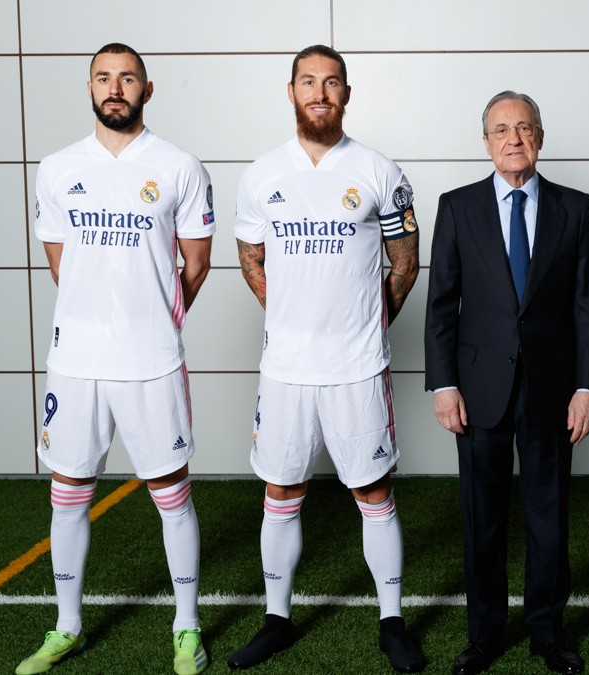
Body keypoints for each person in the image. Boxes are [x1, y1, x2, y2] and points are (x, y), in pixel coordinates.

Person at [18, 43, 215, 675]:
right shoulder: (57, 168)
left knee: (170, 491)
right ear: (89, 88)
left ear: (146, 90)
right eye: (103, 77)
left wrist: (152, 317)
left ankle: (186, 627)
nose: (115, 88)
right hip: (75, 361)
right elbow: (61, 264)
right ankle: (66, 627)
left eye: (127, 78)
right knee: (69, 492)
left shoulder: (179, 166)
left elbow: (196, 262)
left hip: (151, 361)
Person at [228, 44, 425, 673]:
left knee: (373, 490)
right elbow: (251, 259)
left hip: (356, 368)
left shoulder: (378, 171)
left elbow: (404, 262)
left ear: (346, 93)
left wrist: (366, 325)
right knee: (281, 489)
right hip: (285, 369)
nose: (320, 92)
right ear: (290, 92)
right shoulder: (261, 175)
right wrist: (289, 316)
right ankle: (276, 619)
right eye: (308, 82)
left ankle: (391, 622)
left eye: (332, 82)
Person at [424, 91, 589, 675]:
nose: (513, 139)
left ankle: (547, 633)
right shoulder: (457, 207)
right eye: (501, 130)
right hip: (478, 388)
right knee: (482, 517)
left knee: (548, 518)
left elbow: (588, 305)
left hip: (553, 388)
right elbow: (441, 304)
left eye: (524, 128)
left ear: (540, 138)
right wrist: (443, 385)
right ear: (486, 142)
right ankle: (483, 636)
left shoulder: (574, 208)